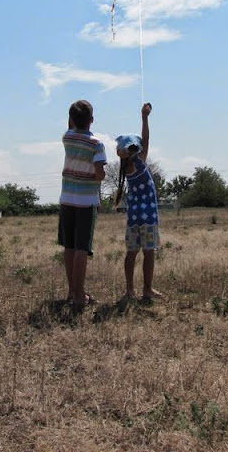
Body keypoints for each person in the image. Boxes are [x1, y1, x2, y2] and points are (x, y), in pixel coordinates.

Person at [58, 100, 106, 307]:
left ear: (70, 120)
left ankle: (72, 292)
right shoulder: (96, 144)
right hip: (86, 203)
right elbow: (100, 175)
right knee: (81, 249)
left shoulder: (67, 138)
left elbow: (71, 127)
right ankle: (80, 296)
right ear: (92, 120)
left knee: (69, 246)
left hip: (67, 199)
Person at [115, 103, 162, 300]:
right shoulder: (140, 162)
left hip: (133, 217)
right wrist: (144, 117)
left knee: (131, 253)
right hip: (149, 217)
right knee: (149, 253)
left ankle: (129, 290)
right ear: (135, 150)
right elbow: (147, 138)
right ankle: (147, 290)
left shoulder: (125, 169)